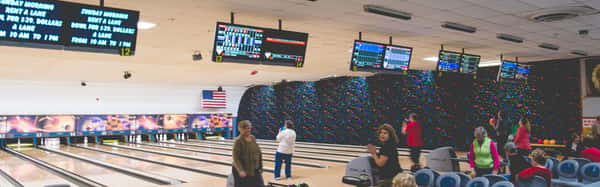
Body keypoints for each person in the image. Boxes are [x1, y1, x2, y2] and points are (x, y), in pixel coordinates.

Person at [232, 120, 264, 187]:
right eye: (245, 128)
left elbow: (258, 152)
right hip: (243, 169)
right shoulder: (238, 141)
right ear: (240, 129)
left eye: (249, 128)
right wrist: (240, 170)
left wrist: (260, 166)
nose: (247, 130)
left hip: (254, 169)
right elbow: (236, 158)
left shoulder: (252, 138)